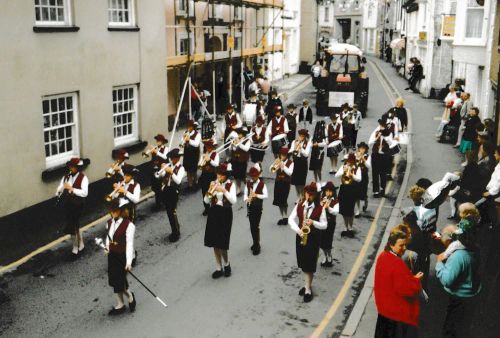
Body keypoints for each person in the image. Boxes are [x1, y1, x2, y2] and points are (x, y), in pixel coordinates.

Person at [374, 225, 423, 338]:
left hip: (384, 311)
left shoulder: (383, 256)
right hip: (397, 316)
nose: (404, 248)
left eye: (406, 244)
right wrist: (416, 280)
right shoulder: (397, 264)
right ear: (391, 244)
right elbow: (406, 290)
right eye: (401, 245)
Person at [435, 224, 482, 338]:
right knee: (464, 325)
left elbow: (447, 280)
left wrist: (439, 264)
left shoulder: (458, 256)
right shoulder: (475, 248)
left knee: (451, 327)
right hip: (472, 293)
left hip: (460, 297)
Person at [288, 182, 327, 303]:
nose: (308, 196)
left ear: (315, 195)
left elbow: (325, 225)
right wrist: (298, 230)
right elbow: (291, 219)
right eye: (307, 194)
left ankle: (308, 289)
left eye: (311, 194)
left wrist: (313, 223)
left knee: (309, 265)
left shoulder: (320, 208)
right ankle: (306, 285)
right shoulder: (300, 205)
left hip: (313, 239)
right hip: (301, 236)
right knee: (303, 263)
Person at [204, 163, 237, 279]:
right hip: (214, 213)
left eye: (222, 175)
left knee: (222, 243)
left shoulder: (230, 185)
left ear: (226, 175)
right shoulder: (214, 183)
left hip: (225, 213)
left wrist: (223, 190)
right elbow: (206, 201)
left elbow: (233, 201)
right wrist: (209, 190)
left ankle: (227, 264)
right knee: (214, 242)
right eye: (218, 174)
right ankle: (218, 267)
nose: (219, 177)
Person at [104, 198, 136, 316]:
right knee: (113, 280)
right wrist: (107, 247)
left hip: (122, 256)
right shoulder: (109, 223)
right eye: (112, 211)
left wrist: (128, 262)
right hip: (112, 256)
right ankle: (120, 304)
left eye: (115, 211)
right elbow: (109, 237)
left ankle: (130, 296)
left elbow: (129, 245)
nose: (113, 213)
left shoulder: (129, 225)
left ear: (121, 211)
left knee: (120, 282)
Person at [55, 157, 89, 258]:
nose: (71, 168)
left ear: (78, 168)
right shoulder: (66, 177)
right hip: (68, 204)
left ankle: (75, 248)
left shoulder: (83, 178)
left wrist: (72, 189)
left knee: (73, 225)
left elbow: (84, 193)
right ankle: (81, 245)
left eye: (73, 167)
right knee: (75, 225)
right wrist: (62, 188)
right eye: (70, 166)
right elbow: (57, 191)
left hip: (78, 205)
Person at [157, 149, 185, 242]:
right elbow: (160, 176)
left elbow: (178, 181)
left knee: (172, 212)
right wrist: (162, 170)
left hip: (174, 191)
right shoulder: (169, 165)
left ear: (177, 158)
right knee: (169, 212)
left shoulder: (181, 168)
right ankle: (175, 229)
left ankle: (176, 232)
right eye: (171, 158)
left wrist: (172, 172)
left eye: (172, 158)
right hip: (166, 190)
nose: (171, 160)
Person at [336, 153, 362, 237]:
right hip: (344, 189)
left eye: (351, 162)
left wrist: (351, 175)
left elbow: (359, 179)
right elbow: (336, 175)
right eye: (348, 161)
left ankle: (350, 227)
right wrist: (343, 171)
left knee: (350, 210)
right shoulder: (343, 166)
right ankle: (345, 227)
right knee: (344, 210)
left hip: (352, 190)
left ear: (354, 161)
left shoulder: (357, 168)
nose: (349, 163)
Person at [244, 167, 268, 255]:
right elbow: (245, 197)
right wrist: (247, 199)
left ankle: (257, 245)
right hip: (250, 208)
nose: (253, 178)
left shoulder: (262, 184)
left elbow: (265, 195)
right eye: (252, 176)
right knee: (252, 226)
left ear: (258, 175)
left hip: (258, 208)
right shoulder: (248, 184)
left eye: (255, 176)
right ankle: (255, 242)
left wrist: (256, 195)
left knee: (255, 226)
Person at [369, 120, 395, 198]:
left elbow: (391, 144)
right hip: (376, 155)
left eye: (383, 126)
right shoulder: (376, 132)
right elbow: (370, 143)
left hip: (384, 156)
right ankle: (376, 191)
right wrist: (377, 137)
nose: (382, 127)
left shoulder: (388, 134)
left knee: (383, 174)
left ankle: (382, 190)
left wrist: (385, 137)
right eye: (381, 125)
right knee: (375, 173)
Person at [271, 147, 294, 225]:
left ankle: (286, 216)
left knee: (284, 200)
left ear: (287, 156)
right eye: (281, 155)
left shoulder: (291, 163)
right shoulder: (278, 161)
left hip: (286, 183)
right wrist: (274, 164)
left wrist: (283, 166)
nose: (282, 156)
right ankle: (282, 217)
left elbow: (290, 173)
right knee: (278, 201)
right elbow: (271, 170)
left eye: (284, 155)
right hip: (278, 183)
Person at [319, 182, 339, 267]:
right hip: (322, 222)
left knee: (328, 240)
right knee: (321, 241)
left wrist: (328, 207)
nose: (328, 193)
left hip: (330, 223)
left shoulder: (335, 201)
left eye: (330, 191)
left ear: (333, 192)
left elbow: (335, 211)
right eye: (326, 191)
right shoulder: (321, 199)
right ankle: (324, 255)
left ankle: (329, 255)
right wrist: (320, 205)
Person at [199, 139, 220, 216]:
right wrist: (203, 159)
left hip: (212, 176)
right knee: (204, 192)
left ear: (212, 147)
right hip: (204, 175)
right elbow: (200, 164)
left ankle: (214, 207)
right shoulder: (204, 154)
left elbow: (216, 164)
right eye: (207, 146)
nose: (208, 148)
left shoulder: (215, 154)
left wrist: (209, 160)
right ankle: (207, 208)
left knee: (213, 192)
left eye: (210, 146)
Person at [148, 134, 169, 211]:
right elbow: (153, 160)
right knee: (156, 187)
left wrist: (157, 152)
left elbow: (165, 157)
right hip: (155, 170)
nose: (157, 142)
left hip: (162, 169)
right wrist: (151, 151)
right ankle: (158, 204)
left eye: (159, 141)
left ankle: (163, 202)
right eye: (157, 141)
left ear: (162, 142)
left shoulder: (166, 149)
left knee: (162, 186)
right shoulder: (155, 148)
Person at [481, 145, 500, 227]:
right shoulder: (498, 164)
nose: (494, 155)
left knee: (489, 211)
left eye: (496, 153)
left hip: (493, 194)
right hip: (490, 191)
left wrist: (490, 193)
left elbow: (499, 182)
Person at [290, 129, 312, 198]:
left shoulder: (308, 143)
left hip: (303, 163)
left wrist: (301, 149)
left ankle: (302, 197)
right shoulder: (294, 142)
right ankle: (298, 196)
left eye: (302, 136)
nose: (301, 137)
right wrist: (294, 148)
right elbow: (290, 150)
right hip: (296, 162)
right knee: (296, 182)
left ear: (305, 136)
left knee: (301, 182)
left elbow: (306, 154)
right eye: (300, 136)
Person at [181, 120, 201, 191]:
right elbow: (182, 142)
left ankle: (195, 182)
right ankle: (190, 184)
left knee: (193, 169)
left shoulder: (197, 134)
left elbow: (196, 144)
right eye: (187, 126)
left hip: (194, 153)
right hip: (187, 152)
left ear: (193, 127)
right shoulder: (185, 132)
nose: (188, 128)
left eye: (190, 127)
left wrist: (189, 140)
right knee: (187, 169)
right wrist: (183, 139)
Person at [230, 128, 251, 195]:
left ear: (243, 135)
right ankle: (238, 188)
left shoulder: (247, 141)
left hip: (242, 160)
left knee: (242, 176)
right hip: (235, 160)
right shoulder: (234, 139)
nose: (237, 135)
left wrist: (239, 143)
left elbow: (246, 149)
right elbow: (231, 149)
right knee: (236, 175)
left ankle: (248, 187)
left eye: (239, 134)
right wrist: (232, 144)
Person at [355, 142, 371, 214]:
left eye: (363, 149)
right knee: (356, 194)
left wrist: (363, 158)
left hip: (364, 176)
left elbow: (369, 166)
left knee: (363, 193)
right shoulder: (356, 155)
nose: (361, 150)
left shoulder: (368, 156)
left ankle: (365, 200)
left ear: (365, 149)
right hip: (357, 176)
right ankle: (358, 210)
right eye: (360, 148)